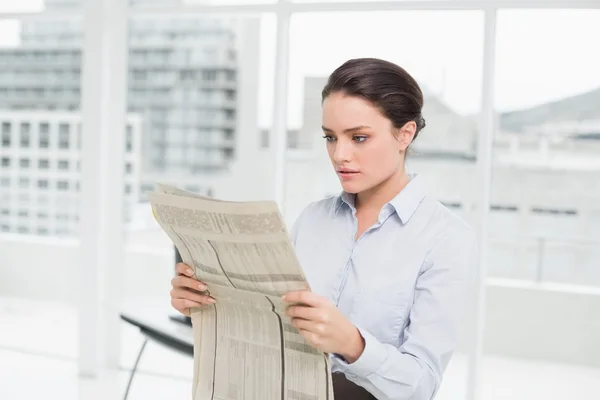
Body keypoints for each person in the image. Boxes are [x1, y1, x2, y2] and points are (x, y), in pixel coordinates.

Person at [169, 57, 477, 400]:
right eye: (330, 138)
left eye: (358, 138)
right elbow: (272, 323)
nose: (339, 155)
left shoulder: (446, 238)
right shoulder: (313, 219)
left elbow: (421, 385)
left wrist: (353, 344)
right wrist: (206, 303)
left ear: (405, 134)